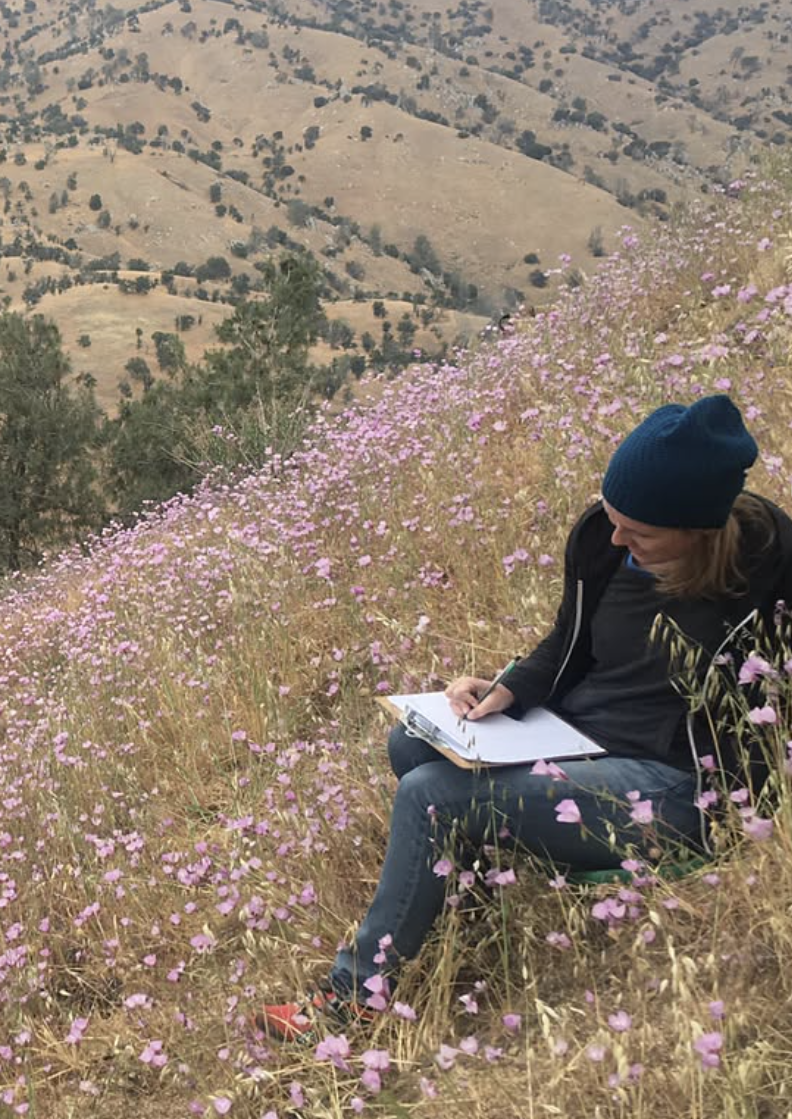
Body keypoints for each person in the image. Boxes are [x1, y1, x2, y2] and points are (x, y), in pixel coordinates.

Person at [258, 395, 792, 1040]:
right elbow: (568, 642)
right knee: (414, 746)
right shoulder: (604, 540)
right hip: (578, 741)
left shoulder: (769, 575)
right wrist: (510, 687)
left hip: (678, 787)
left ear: (700, 530)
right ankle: (467, 919)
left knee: (433, 798)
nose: (619, 539)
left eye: (641, 533)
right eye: (616, 520)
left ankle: (350, 1003)